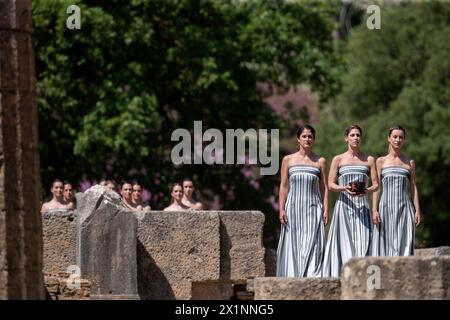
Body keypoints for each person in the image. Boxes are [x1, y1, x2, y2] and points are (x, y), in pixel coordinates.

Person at [322, 125, 379, 277]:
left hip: (363, 207)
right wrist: (344, 188)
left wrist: (367, 190)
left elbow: (376, 185)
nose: (356, 138)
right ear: (346, 138)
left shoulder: (369, 160)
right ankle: (343, 278)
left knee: (364, 242)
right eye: (352, 135)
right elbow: (330, 184)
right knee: (345, 243)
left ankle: (362, 278)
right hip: (344, 207)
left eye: (358, 135)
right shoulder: (338, 159)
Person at [276, 124, 329, 277]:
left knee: (313, 243)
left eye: (310, 136)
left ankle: (313, 278)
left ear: (314, 140)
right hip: (293, 208)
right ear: (298, 139)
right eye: (304, 136)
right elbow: (284, 186)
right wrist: (282, 209)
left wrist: (326, 209)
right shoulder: (288, 160)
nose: (307, 139)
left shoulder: (320, 161)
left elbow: (324, 187)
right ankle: (292, 277)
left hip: (313, 208)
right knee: (294, 243)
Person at [371, 125, 421, 256]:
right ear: (389, 138)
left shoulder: (409, 163)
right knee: (385, 243)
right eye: (395, 137)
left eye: (401, 137)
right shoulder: (380, 161)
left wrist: (417, 210)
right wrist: (374, 210)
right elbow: (377, 188)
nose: (398, 140)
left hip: (405, 208)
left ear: (403, 140)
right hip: (385, 208)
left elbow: (413, 187)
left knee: (405, 242)